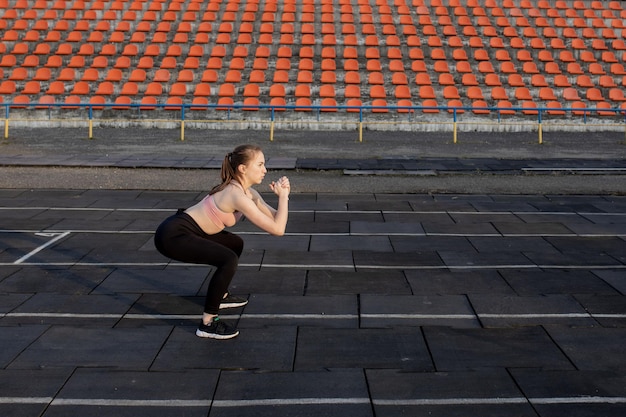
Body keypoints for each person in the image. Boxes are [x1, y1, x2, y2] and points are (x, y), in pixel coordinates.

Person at [154, 144, 290, 339]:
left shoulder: (249, 193)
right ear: (243, 168)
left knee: (235, 244)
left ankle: (221, 295)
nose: (265, 170)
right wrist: (284, 197)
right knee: (228, 259)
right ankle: (208, 323)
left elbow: (277, 219)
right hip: (173, 235)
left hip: (192, 230)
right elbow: (278, 230)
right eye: (260, 165)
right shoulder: (236, 195)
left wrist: (283, 197)